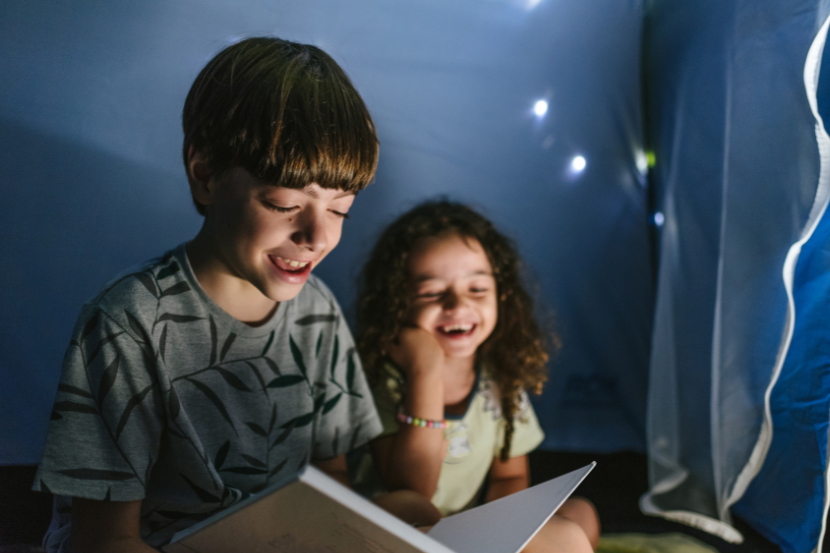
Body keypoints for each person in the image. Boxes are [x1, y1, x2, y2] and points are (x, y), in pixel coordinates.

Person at [34, 37, 396, 553]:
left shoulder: (318, 313)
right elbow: (105, 541)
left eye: (340, 209)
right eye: (283, 203)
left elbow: (330, 485)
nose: (316, 236)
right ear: (205, 175)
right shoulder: (127, 321)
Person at [352, 200, 601, 553]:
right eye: (432, 293)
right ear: (397, 302)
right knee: (413, 504)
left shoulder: (500, 380)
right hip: (399, 528)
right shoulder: (383, 379)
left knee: (581, 515)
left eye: (477, 289)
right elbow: (412, 486)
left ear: (502, 294)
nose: (456, 305)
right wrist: (426, 369)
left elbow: (510, 476)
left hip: (466, 531)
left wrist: (504, 532)